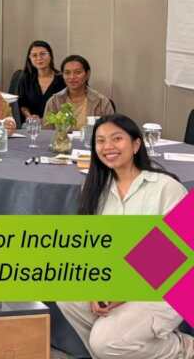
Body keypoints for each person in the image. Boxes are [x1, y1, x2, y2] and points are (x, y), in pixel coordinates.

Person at [61, 114, 193, 359]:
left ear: (136, 144)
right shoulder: (94, 190)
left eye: (117, 139)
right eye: (100, 141)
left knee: (105, 342)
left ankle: (183, 349)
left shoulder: (165, 187)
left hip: (165, 287)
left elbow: (176, 256)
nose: (108, 146)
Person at [44, 55, 115, 129]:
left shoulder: (101, 102)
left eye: (78, 72)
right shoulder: (54, 101)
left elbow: (111, 130)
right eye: (67, 73)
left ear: (87, 74)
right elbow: (46, 131)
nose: (72, 77)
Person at [17, 40, 66, 120]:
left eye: (43, 54)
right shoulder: (25, 78)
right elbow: (22, 104)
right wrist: (29, 116)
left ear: (50, 55)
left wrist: (44, 120)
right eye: (34, 55)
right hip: (31, 124)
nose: (39, 58)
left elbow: (66, 107)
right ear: (30, 58)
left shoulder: (62, 79)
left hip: (56, 124)